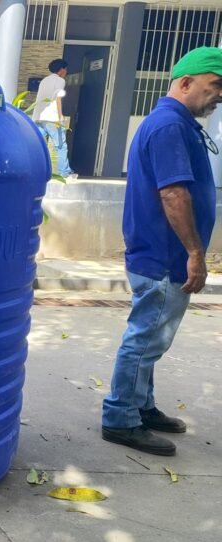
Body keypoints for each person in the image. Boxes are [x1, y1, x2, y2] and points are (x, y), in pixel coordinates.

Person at [101, 46, 222, 457]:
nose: (219, 95)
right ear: (185, 83)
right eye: (215, 85)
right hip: (166, 257)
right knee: (146, 338)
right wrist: (194, 253)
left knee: (152, 336)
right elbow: (173, 193)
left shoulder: (176, 123)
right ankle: (120, 418)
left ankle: (141, 406)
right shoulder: (170, 126)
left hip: (160, 254)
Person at [33, 59, 77, 179]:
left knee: (40, 145)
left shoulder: (44, 80)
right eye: (66, 69)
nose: (66, 72)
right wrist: (60, 117)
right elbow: (58, 98)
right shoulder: (60, 81)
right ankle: (64, 172)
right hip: (52, 118)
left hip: (38, 117)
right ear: (61, 69)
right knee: (61, 146)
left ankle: (39, 171)